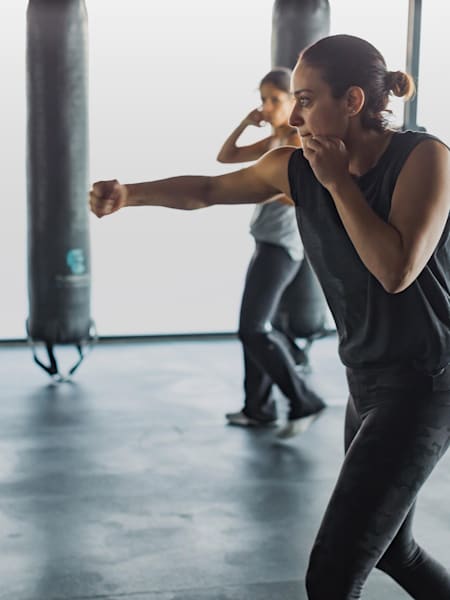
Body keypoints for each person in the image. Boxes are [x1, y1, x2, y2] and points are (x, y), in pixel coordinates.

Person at [90, 34, 450, 599]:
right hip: (368, 380)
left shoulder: (423, 157)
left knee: (331, 576)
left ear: (352, 100)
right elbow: (209, 188)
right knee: (395, 551)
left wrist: (337, 185)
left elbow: (396, 268)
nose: (294, 113)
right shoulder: (295, 167)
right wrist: (131, 194)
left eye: (306, 99)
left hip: (426, 383)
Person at [216, 67, 325, 435]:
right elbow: (225, 156)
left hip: (281, 247)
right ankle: (257, 408)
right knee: (257, 328)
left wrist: (260, 187)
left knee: (252, 329)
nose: (266, 106)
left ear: (294, 100)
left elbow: (300, 195)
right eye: (262, 99)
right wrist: (248, 121)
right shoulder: (275, 142)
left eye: (274, 99)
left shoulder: (296, 144)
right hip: (266, 243)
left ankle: (303, 401)